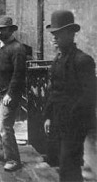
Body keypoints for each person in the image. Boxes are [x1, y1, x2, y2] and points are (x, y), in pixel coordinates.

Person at [44, 10, 96, 182]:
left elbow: (89, 95)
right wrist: (49, 117)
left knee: (69, 164)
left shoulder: (83, 61)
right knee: (61, 162)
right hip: (59, 120)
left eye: (58, 34)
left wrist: (71, 118)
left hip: (75, 122)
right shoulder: (58, 60)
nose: (54, 38)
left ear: (70, 34)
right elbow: (54, 91)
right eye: (53, 34)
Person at [0, 15, 26, 172]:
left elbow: (19, 74)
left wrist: (10, 93)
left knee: (5, 125)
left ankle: (13, 159)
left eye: (3, 30)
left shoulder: (18, 49)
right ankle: (1, 153)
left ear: (10, 30)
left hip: (9, 95)